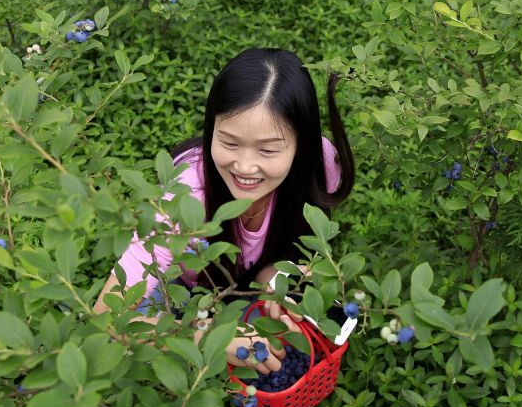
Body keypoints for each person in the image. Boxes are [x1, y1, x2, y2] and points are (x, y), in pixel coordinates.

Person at [93, 48, 355, 374]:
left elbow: (282, 248)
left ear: (301, 146)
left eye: (268, 149)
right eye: (229, 142)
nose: (245, 166)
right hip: (186, 289)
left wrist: (275, 281)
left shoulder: (321, 166)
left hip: (238, 282)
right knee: (141, 331)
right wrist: (206, 339)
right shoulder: (182, 201)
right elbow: (106, 317)